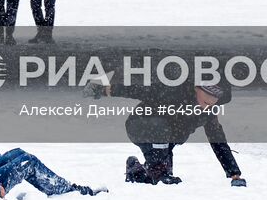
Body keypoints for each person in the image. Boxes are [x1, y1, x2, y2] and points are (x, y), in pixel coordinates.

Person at [91, 75, 246, 187]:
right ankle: (160, 171)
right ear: (196, 88)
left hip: (167, 139)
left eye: (215, 100)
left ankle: (136, 171)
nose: (210, 103)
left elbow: (217, 140)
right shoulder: (174, 91)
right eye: (207, 97)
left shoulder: (209, 112)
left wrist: (234, 173)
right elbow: (139, 90)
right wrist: (104, 90)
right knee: (160, 167)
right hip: (141, 126)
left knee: (155, 176)